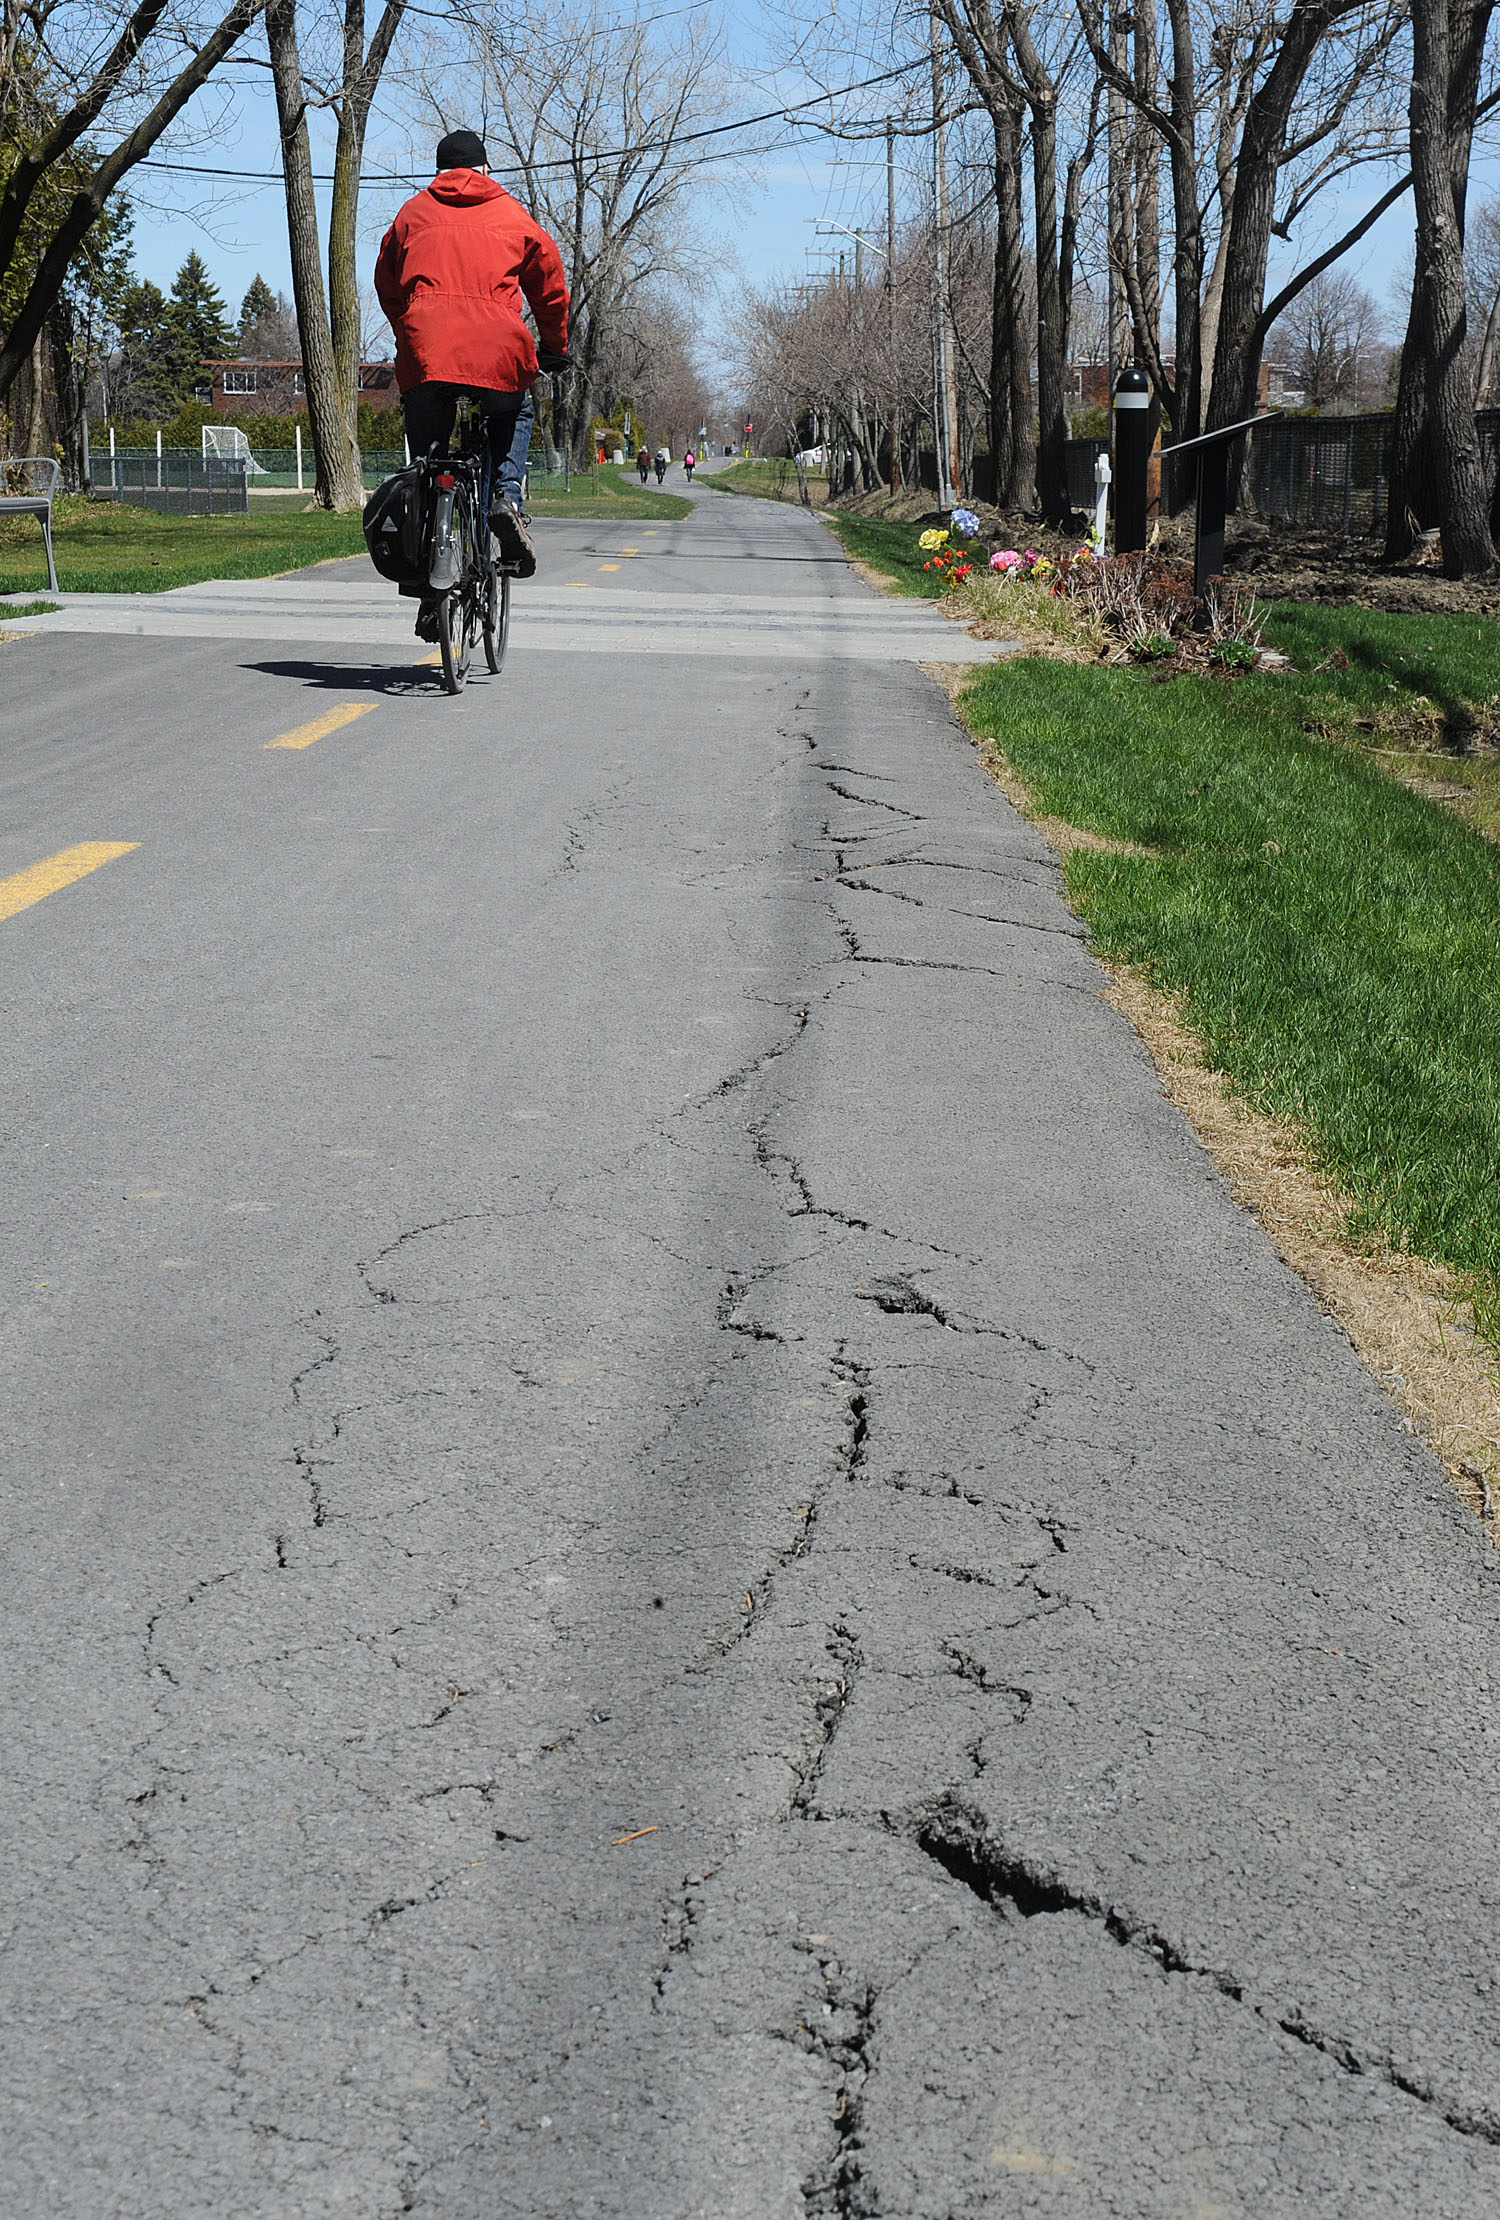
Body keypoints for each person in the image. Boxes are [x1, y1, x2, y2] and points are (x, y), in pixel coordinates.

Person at [375, 127, 570, 639]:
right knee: (513, 412)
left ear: (439, 171)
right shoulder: (511, 213)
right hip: (498, 353)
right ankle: (506, 497)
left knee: (427, 466)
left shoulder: (412, 214)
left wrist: (411, 332)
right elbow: (550, 286)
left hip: (427, 353)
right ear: (484, 169)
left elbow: (386, 282)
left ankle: (424, 581)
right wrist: (556, 346)